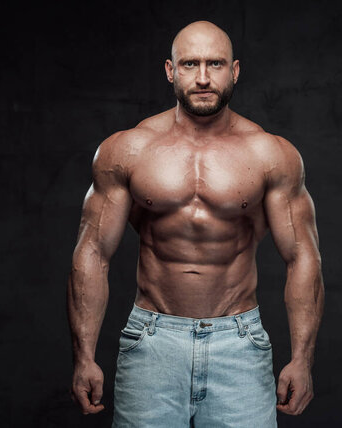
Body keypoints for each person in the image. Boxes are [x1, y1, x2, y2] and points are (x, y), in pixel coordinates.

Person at [67, 20, 325, 427]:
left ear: (234, 71)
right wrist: (84, 356)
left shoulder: (270, 154)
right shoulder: (129, 149)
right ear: (171, 71)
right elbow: (93, 252)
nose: (203, 78)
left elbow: (303, 256)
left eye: (215, 64)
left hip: (238, 343)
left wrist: (302, 359)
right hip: (152, 341)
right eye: (190, 64)